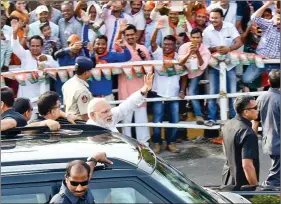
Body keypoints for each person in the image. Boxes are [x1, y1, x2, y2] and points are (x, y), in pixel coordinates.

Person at [87, 73, 154, 146]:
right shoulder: (89, 132)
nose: (110, 114)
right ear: (93, 115)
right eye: (105, 112)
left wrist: (143, 91)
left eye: (109, 110)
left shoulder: (108, 117)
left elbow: (127, 105)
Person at [202, 8, 242, 126]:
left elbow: (239, 42)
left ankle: (234, 119)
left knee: (232, 93)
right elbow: (205, 49)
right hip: (214, 66)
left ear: (222, 18)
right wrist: (216, 49)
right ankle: (212, 118)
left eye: (216, 17)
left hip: (230, 65)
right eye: (212, 17)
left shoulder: (229, 26)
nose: (213, 20)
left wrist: (228, 49)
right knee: (213, 93)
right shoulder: (206, 31)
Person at [114, 24, 150, 146]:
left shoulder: (143, 49)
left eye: (132, 35)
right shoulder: (121, 48)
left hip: (140, 88)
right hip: (125, 90)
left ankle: (144, 146)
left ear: (136, 35)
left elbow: (149, 68)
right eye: (127, 35)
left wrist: (143, 59)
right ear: (124, 36)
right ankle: (127, 146)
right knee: (126, 121)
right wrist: (119, 31)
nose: (130, 37)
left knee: (141, 120)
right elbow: (114, 45)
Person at [81, 14, 131, 102]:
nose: (100, 46)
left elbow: (127, 57)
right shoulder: (89, 55)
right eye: (98, 44)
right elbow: (84, 41)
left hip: (107, 96)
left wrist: (124, 47)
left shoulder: (111, 55)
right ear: (94, 45)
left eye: (103, 44)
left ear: (106, 45)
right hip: (92, 97)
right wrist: (86, 24)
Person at [11, 19, 59, 99]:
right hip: (26, 96)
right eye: (33, 46)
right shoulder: (25, 55)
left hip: (42, 96)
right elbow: (15, 47)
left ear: (42, 47)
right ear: (29, 46)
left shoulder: (47, 57)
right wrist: (14, 32)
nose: (35, 48)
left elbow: (56, 69)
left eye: (37, 46)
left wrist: (46, 60)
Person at [222, 95, 259, 189]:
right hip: (242, 185)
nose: (257, 110)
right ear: (246, 112)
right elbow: (247, 166)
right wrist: (256, 187)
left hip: (227, 181)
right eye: (255, 108)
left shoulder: (228, 125)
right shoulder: (248, 133)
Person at [252, 69, 280, 187]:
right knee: (274, 178)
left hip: (268, 141)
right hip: (278, 142)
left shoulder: (261, 98)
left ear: (268, 81)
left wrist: (251, 140)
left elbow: (255, 120)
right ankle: (266, 190)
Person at [242, 1, 280, 85]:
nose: (279, 21)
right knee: (246, 79)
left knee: (277, 85)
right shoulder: (268, 24)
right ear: (274, 17)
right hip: (261, 59)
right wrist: (268, 3)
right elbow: (254, 18)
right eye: (278, 18)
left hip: (277, 62)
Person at [178, 28, 211, 125]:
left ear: (201, 38)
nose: (196, 39)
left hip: (196, 73)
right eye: (194, 37)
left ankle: (198, 115)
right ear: (190, 38)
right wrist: (189, 53)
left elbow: (202, 66)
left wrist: (197, 53)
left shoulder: (205, 50)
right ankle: (182, 113)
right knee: (180, 93)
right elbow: (180, 63)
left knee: (192, 92)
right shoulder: (184, 47)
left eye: (198, 37)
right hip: (184, 72)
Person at [62, 56, 94, 121]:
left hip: (70, 121)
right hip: (81, 124)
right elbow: (85, 115)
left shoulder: (67, 83)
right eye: (90, 70)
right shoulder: (82, 90)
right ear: (86, 73)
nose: (91, 72)